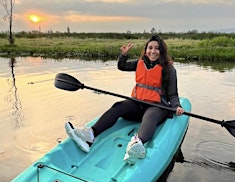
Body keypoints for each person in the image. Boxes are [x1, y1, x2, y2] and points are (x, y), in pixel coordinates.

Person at [65, 35, 185, 164]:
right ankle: (90, 135)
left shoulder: (168, 69)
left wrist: (176, 106)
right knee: (118, 106)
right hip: (138, 104)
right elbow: (122, 66)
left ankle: (136, 144)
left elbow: (173, 94)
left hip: (157, 107)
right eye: (150, 48)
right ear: (146, 50)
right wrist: (123, 55)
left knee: (151, 115)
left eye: (157, 48)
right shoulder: (139, 63)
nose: (153, 51)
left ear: (162, 51)